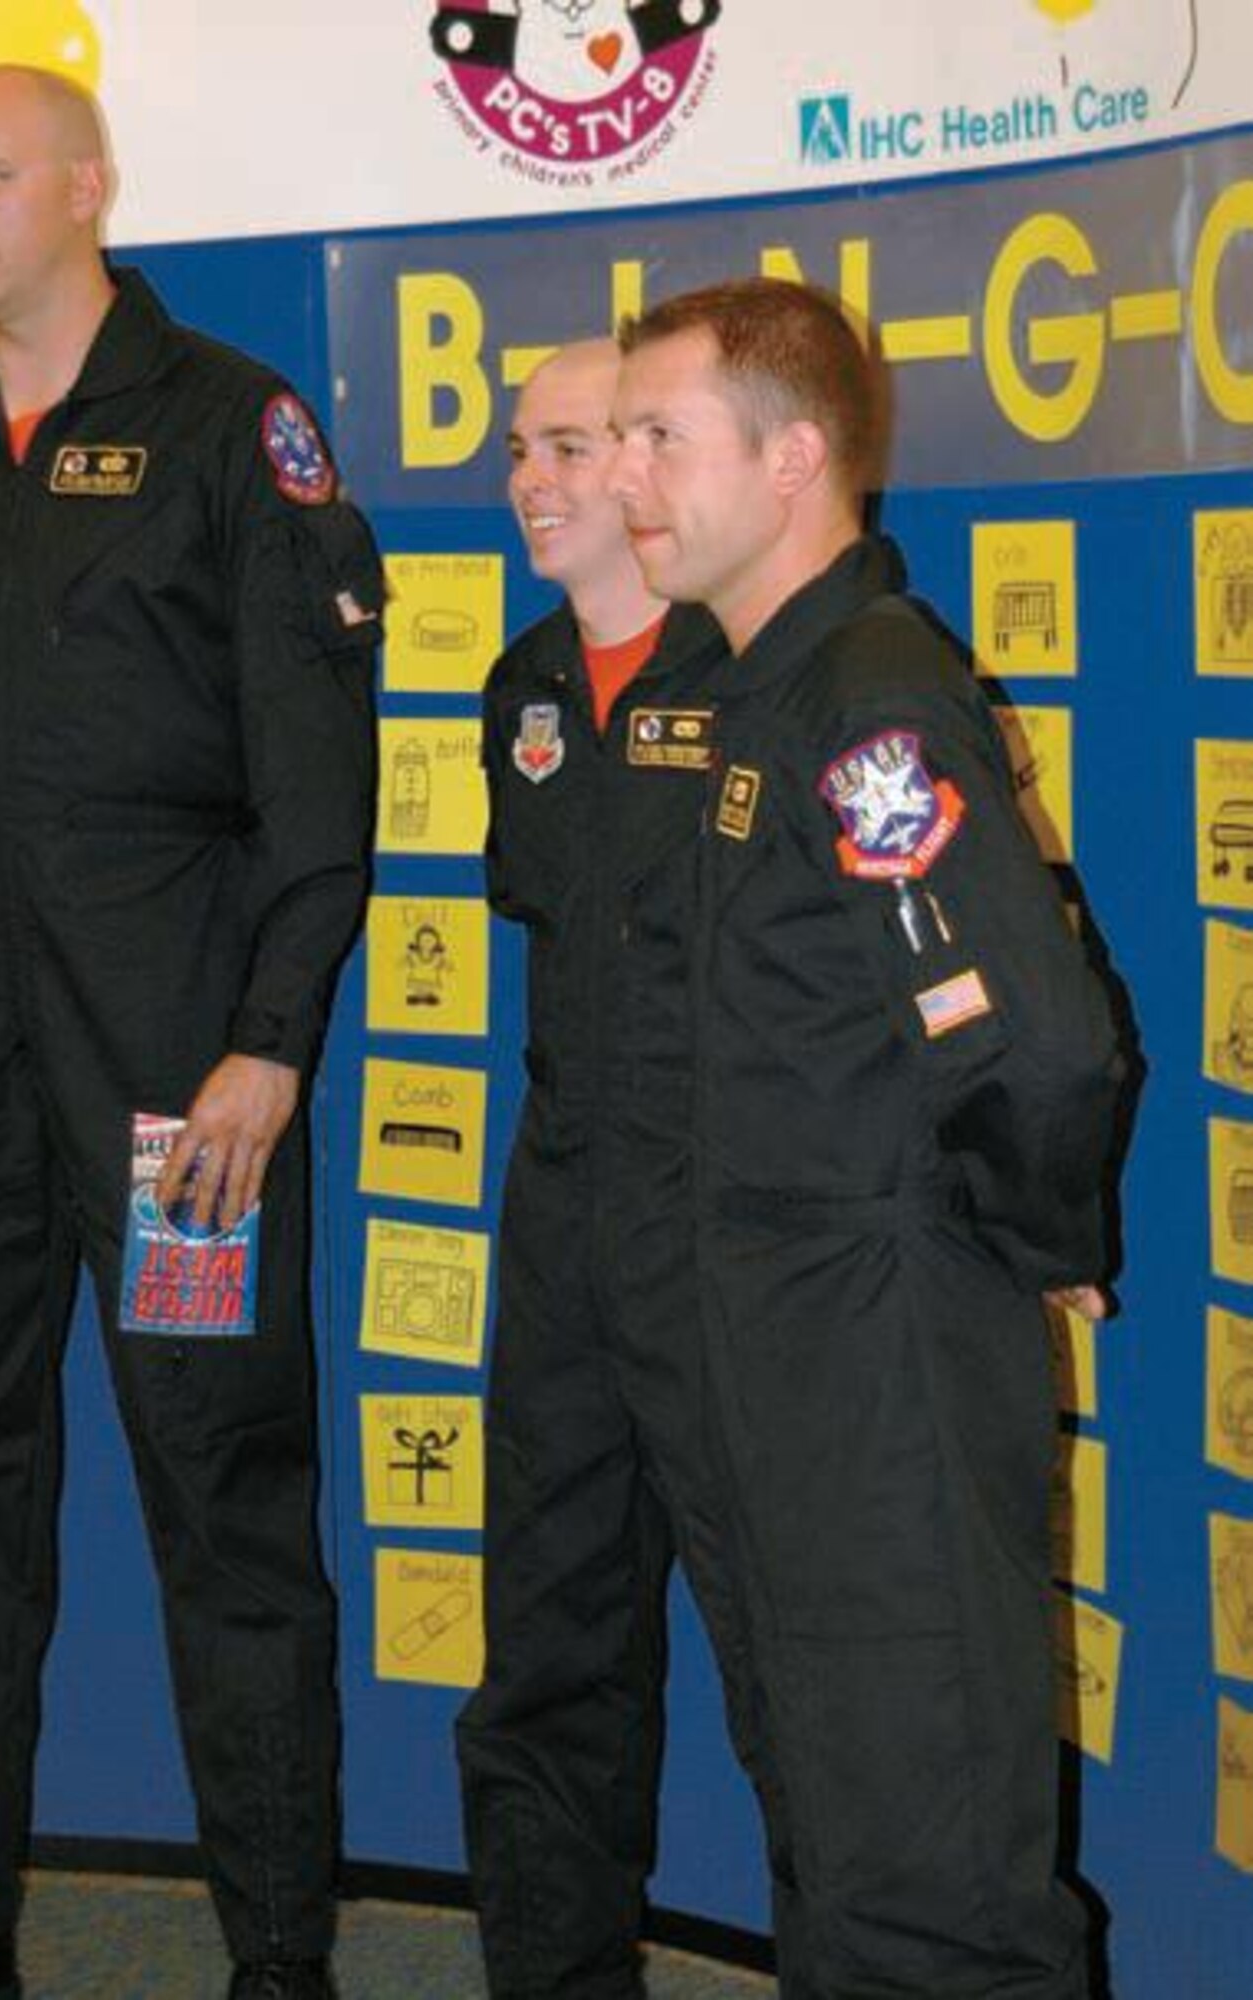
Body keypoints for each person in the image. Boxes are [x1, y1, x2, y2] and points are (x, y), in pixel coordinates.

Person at [0, 65, 381, 2000]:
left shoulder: (229, 427)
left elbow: (317, 779)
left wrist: (270, 1041)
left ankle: (277, 1949)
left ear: (90, 186)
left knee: (221, 1489)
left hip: (174, 1070)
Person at [597, 276, 1123, 1998]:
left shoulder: (871, 703)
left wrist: (1037, 1242)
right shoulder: (766, 690)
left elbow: (1036, 1046)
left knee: (933, 1881)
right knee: (839, 1845)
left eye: (664, 437)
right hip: (787, 1361)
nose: (624, 480)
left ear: (796, 457)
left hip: (882, 1356)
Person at [454, 340, 734, 1997]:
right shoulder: (525, 686)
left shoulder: (766, 667)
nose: (531, 481)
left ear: (646, 463)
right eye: (518, 449)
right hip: (562, 1221)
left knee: (811, 1676)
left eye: (566, 444)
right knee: (548, 1658)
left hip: (738, 1234)